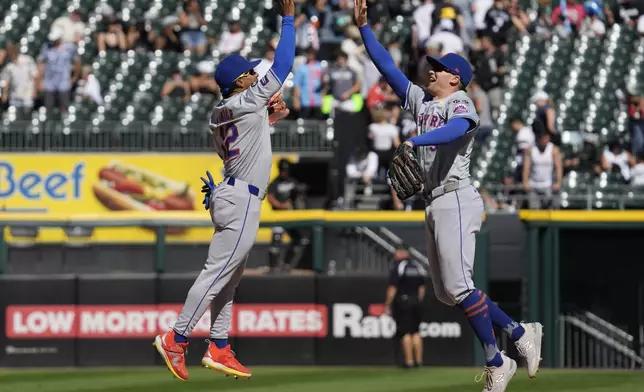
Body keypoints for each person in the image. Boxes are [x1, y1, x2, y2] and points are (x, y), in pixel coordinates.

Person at [354, 1, 542, 391]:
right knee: (445, 292)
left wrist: (416, 138)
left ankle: (501, 355)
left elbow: (456, 130)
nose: (432, 68)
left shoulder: (461, 103)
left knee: (458, 287)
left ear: (455, 77)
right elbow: (388, 68)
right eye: (432, 64)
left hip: (456, 196)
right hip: (433, 200)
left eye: (440, 67)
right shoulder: (422, 101)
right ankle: (516, 335)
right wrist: (365, 29)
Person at [152, 0, 295, 382]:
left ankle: (218, 345)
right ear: (240, 82)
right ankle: (176, 338)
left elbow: (249, 129)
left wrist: (269, 115)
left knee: (228, 277)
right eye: (249, 73)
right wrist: (289, 19)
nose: (254, 74)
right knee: (217, 273)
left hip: (230, 192)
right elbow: (282, 66)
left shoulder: (220, 112)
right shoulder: (247, 99)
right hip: (243, 197)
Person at [385, 248, 426, 369]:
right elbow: (422, 288)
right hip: (416, 302)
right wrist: (418, 300)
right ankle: (419, 361)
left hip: (403, 302)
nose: (395, 254)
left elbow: (393, 287)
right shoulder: (417, 266)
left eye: (397, 252)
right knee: (416, 332)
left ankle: (409, 362)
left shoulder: (399, 266)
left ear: (403, 253)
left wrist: (387, 304)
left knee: (406, 332)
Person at [267, 159, 309, 273]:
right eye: (282, 170)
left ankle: (286, 265)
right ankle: (273, 267)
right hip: (279, 217)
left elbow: (299, 193)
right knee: (276, 240)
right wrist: (281, 205)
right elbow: (270, 197)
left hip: (291, 217)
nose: (284, 173)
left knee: (297, 240)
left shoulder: (292, 181)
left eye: (286, 170)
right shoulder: (275, 183)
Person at [38, 27, 81, 114]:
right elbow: (42, 63)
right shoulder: (46, 47)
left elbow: (77, 62)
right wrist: (40, 79)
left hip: (64, 81)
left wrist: (75, 77)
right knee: (48, 105)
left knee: (65, 105)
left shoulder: (70, 48)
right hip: (49, 81)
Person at [522, 131, 563, 210]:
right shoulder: (530, 150)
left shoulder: (554, 150)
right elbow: (526, 168)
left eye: (546, 138)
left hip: (548, 186)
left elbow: (558, 167)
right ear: (538, 139)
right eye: (542, 139)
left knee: (550, 210)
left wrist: (558, 182)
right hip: (534, 186)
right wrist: (525, 182)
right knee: (534, 211)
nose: (544, 141)